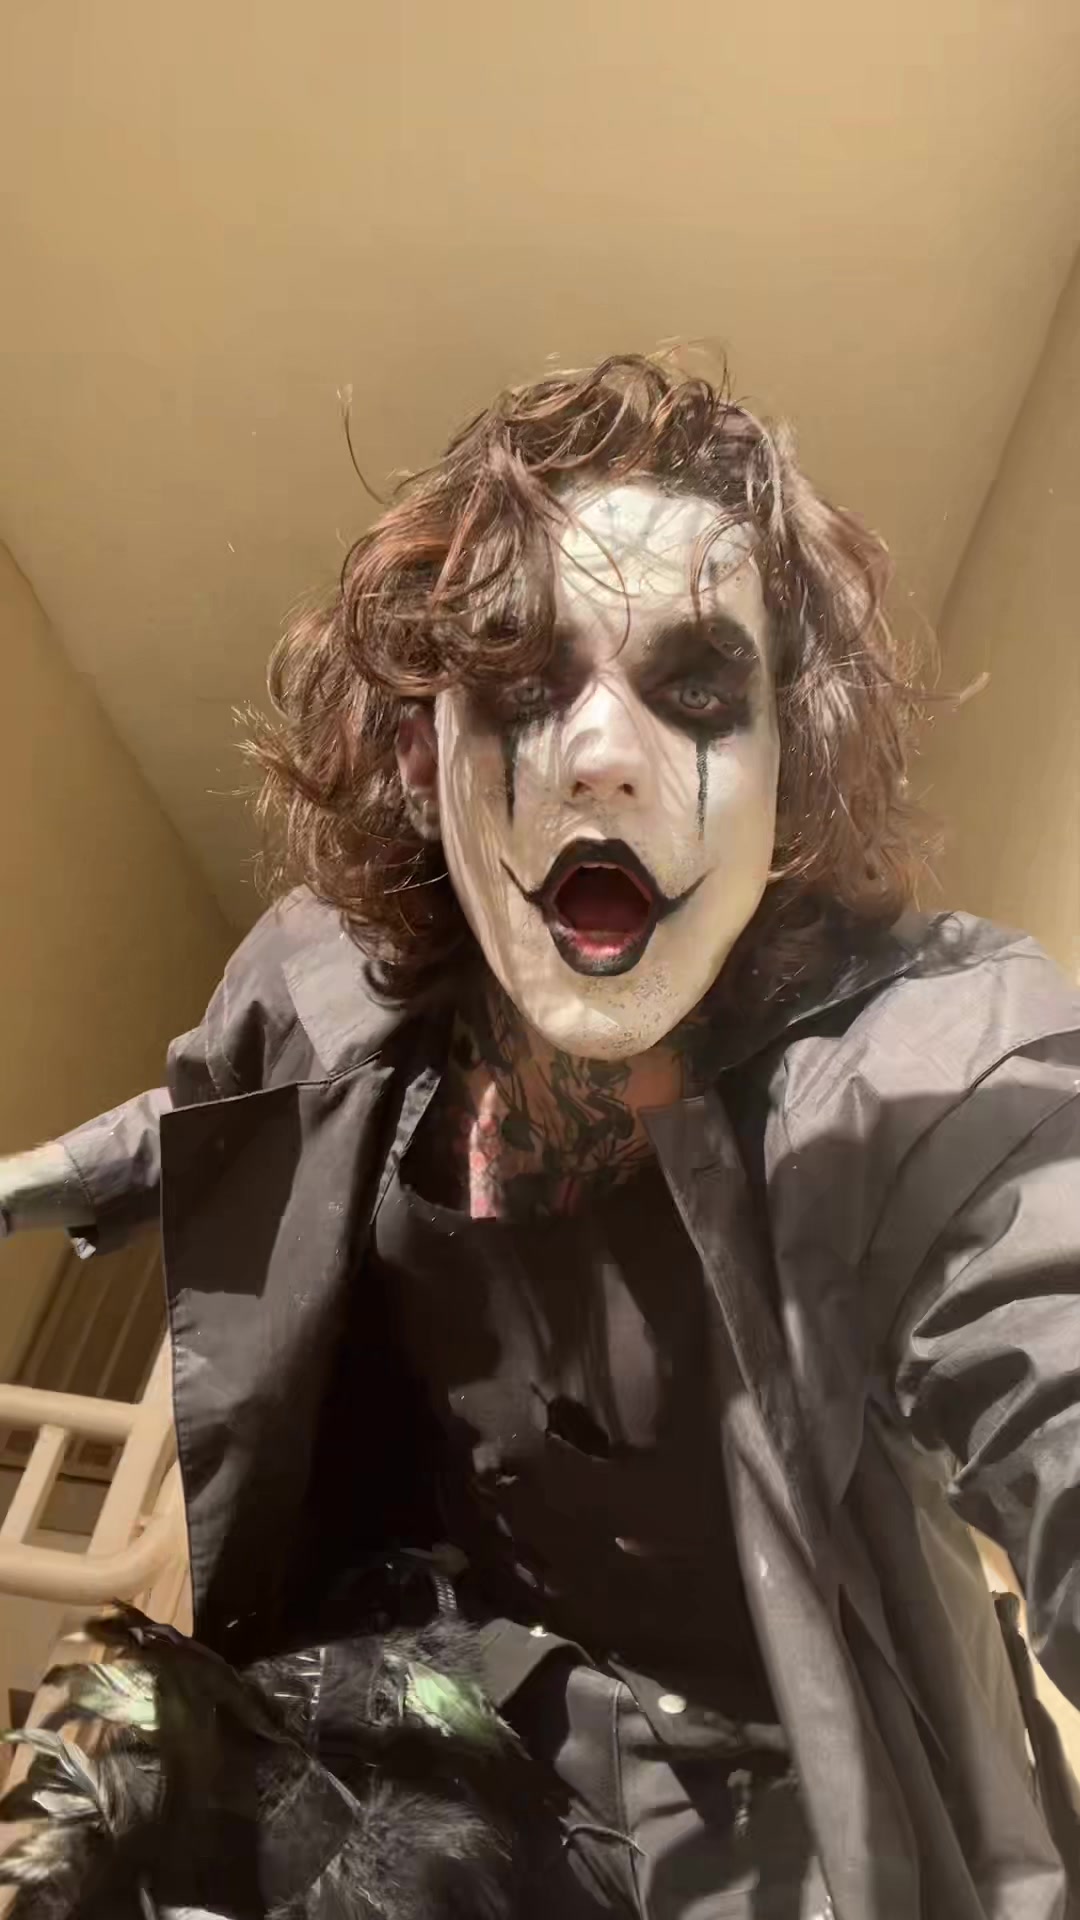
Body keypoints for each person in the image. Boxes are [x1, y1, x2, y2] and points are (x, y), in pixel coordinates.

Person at [1, 355, 1078, 1920]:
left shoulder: (919, 1067)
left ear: (787, 768)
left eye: (696, 692)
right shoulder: (326, 982)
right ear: (422, 749)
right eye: (520, 682)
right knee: (102, 1749)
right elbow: (226, 1105)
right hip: (457, 1699)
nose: (602, 754)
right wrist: (43, 1179)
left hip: (767, 1811)